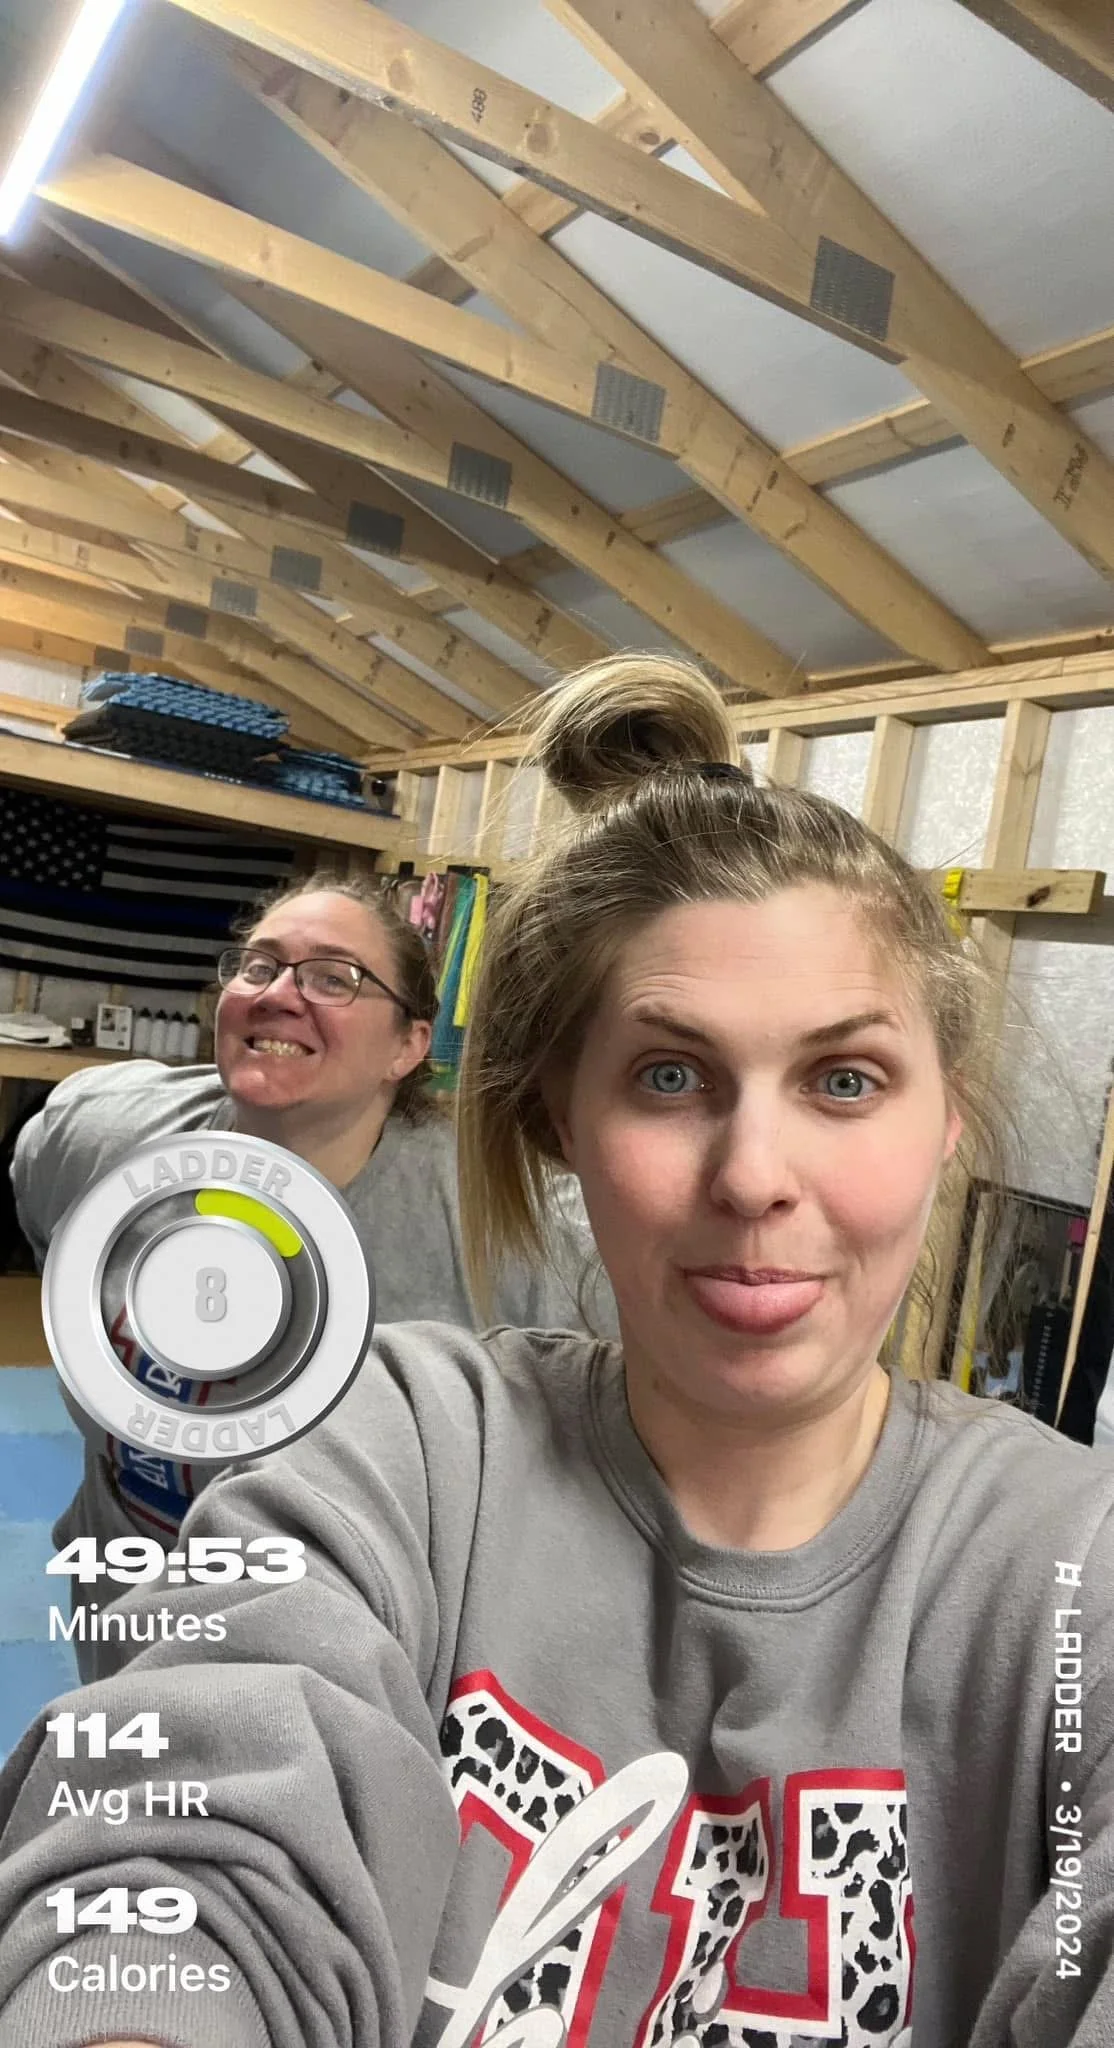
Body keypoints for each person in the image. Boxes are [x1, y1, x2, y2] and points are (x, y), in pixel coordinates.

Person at [0, 653, 1112, 2048]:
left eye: (844, 1080)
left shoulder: (1073, 1574)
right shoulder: (401, 1453)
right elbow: (194, 1834)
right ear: (557, 1124)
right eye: (667, 1077)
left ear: (944, 1118)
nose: (754, 1174)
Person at [11, 873, 615, 1555]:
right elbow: (44, 1226)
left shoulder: (517, 1234)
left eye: (334, 978)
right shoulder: (97, 1133)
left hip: (362, 1642)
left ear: (408, 1046)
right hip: (133, 1606)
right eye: (259, 966)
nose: (275, 995)